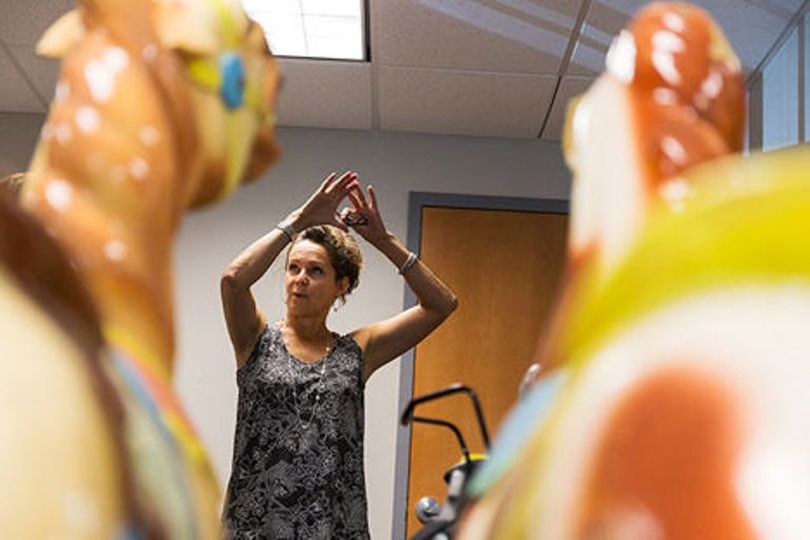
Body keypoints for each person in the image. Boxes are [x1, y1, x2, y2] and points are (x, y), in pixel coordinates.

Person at [220, 171, 458, 538]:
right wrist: (298, 221)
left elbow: (441, 305)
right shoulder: (254, 338)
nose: (300, 278)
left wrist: (384, 240)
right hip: (254, 527)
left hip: (335, 528)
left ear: (340, 286)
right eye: (293, 268)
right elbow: (234, 279)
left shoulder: (357, 351)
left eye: (316, 271)